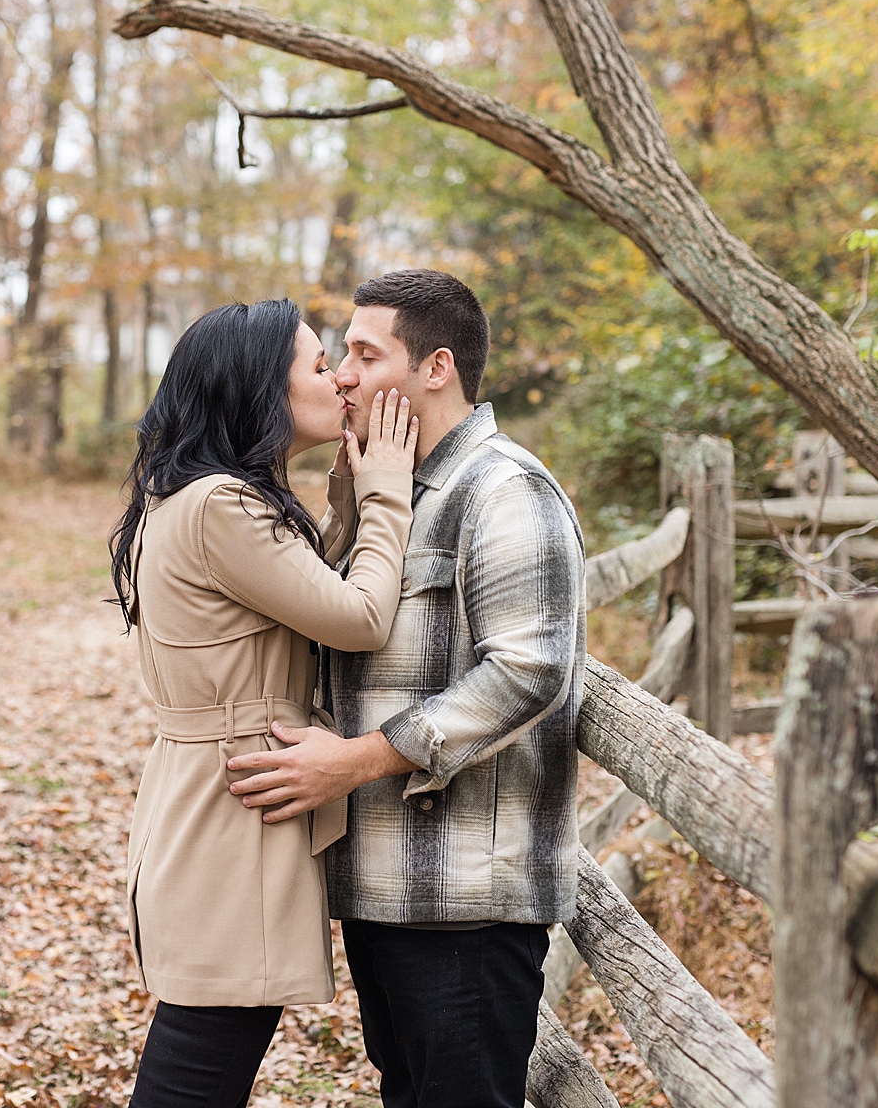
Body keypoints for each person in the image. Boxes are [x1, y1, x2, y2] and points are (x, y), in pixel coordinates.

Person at [225, 269, 586, 1108]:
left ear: (437, 368)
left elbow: (529, 669)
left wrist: (353, 762)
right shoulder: (386, 487)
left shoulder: (505, 490)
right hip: (382, 885)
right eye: (341, 355)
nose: (342, 374)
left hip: (467, 898)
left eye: (364, 353)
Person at [108, 297, 421, 1108]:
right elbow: (358, 618)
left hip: (212, 795)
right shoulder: (221, 505)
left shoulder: (194, 498)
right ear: (260, 392)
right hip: (230, 812)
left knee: (203, 1057)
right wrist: (389, 492)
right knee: (199, 1068)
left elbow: (308, 593)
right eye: (319, 367)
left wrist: (350, 489)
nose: (341, 381)